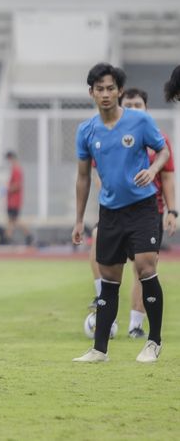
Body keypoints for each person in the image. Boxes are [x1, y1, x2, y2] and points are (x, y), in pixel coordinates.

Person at [72, 63, 169, 363]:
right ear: (91, 93)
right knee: (109, 278)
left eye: (110, 88)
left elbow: (163, 150)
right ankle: (100, 349)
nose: (105, 93)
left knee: (145, 266)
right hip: (110, 212)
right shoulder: (86, 131)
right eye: (99, 89)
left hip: (142, 208)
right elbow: (83, 177)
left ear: (120, 91)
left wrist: (152, 168)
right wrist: (78, 219)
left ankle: (153, 342)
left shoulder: (139, 121)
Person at [86, 88, 176, 339]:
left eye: (139, 104)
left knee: (143, 268)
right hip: (115, 210)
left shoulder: (158, 140)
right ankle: (100, 298)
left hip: (149, 211)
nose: (134, 109)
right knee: (96, 242)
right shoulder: (108, 134)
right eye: (130, 104)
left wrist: (173, 210)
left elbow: (168, 177)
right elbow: (96, 173)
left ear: (146, 109)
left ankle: (135, 324)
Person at [4, 151, 33, 246]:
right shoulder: (15, 169)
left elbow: (17, 185)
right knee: (11, 220)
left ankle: (28, 234)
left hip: (14, 200)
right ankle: (8, 237)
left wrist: (7, 189)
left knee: (15, 219)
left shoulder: (16, 170)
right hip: (12, 200)